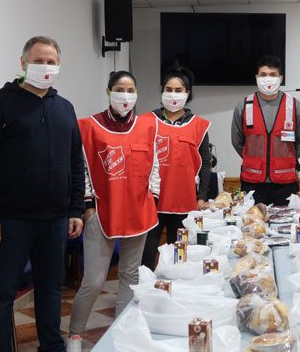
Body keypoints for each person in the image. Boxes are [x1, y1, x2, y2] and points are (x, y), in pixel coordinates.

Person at [0, 36, 84, 352]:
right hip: (10, 221)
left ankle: (52, 346)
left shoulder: (65, 109)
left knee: (50, 289)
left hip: (55, 220)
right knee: (2, 293)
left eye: (51, 62)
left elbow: (75, 162)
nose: (45, 67)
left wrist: (75, 209)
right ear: (22, 63)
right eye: (39, 60)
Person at [67, 71, 159, 351]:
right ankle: (74, 335)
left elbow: (154, 165)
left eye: (131, 89)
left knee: (130, 278)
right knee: (93, 282)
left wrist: (152, 198)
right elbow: (80, 168)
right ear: (109, 91)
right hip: (102, 212)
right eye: (120, 89)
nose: (126, 95)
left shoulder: (147, 126)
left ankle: (120, 332)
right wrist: (86, 206)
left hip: (139, 212)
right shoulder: (88, 126)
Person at [140, 67, 211, 269]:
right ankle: (144, 296)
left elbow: (205, 163)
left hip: (185, 202)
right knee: (146, 257)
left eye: (179, 90)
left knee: (179, 258)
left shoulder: (199, 125)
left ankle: (176, 295)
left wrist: (202, 196)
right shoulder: (145, 121)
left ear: (187, 93)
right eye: (169, 89)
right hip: (151, 202)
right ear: (162, 91)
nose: (173, 94)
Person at [231, 55, 300, 205]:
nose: (268, 79)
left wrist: (288, 158)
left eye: (273, 75)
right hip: (252, 183)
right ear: (257, 77)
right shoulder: (244, 105)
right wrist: (254, 159)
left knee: (285, 225)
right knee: (252, 226)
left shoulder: (293, 105)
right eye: (264, 75)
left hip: (285, 183)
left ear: (280, 78)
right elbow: (237, 140)